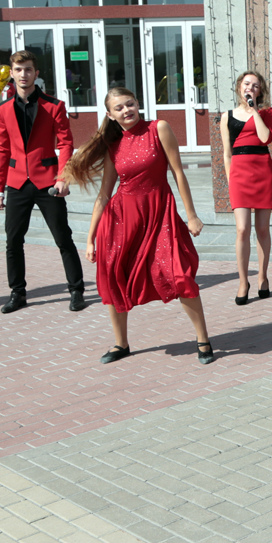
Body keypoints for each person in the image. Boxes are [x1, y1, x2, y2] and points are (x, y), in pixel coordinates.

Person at [63, 88, 214, 365]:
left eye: (129, 104)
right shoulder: (113, 145)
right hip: (121, 221)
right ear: (110, 115)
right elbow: (104, 194)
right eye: (119, 108)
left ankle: (203, 339)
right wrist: (90, 238)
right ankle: (121, 343)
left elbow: (178, 173)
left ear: (138, 103)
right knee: (113, 277)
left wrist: (191, 215)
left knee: (180, 275)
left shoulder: (159, 128)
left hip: (160, 215)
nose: (126, 110)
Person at [0, 50, 86, 314]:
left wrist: (63, 178)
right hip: (17, 183)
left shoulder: (54, 105)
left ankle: (76, 290)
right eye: (19, 70)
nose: (24, 74)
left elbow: (66, 144)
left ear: (36, 73)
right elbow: (2, 148)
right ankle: (17, 293)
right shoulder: (3, 109)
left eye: (28, 69)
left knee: (63, 237)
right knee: (13, 241)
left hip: (48, 183)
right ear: (12, 73)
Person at [221, 70, 272, 305]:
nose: (250, 88)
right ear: (239, 87)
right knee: (242, 229)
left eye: (255, 85)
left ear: (260, 91)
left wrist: (254, 111)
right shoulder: (227, 116)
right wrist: (230, 180)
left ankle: (262, 277)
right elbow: (227, 154)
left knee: (262, 229)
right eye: (246, 84)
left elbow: (265, 139)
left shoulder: (266, 113)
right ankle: (243, 282)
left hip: (262, 171)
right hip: (239, 175)